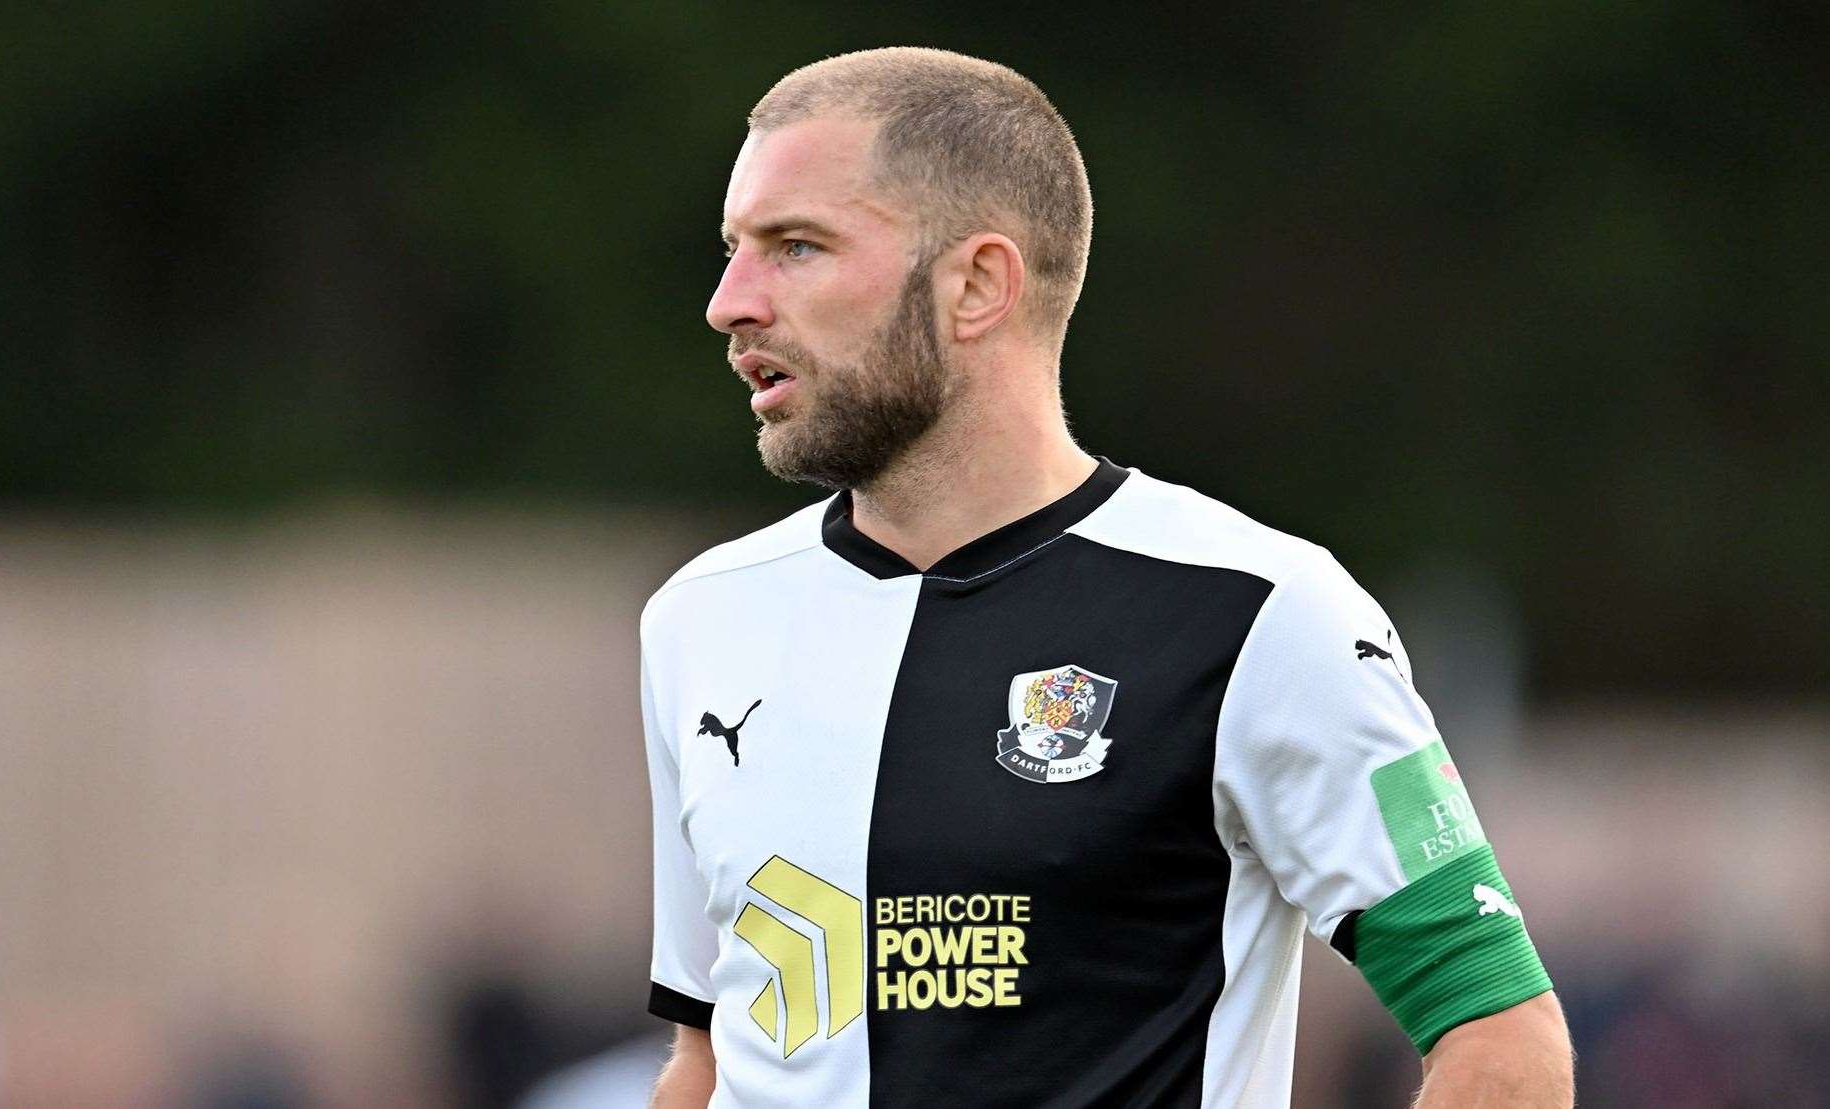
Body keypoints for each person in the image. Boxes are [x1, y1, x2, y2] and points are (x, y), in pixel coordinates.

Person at [641, 46, 1572, 1108]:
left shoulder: (1260, 610)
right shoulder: (698, 619)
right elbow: (708, 1054)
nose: (729, 302)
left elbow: (1498, 1028)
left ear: (978, 283)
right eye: (733, 250)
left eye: (794, 247)